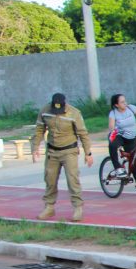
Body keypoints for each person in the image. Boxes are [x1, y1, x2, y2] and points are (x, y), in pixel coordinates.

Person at [31, 93, 93, 222]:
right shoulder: (45, 111)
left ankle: (77, 208)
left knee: (72, 179)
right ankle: (49, 207)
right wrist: (35, 147)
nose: (57, 112)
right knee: (50, 179)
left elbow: (83, 133)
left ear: (65, 104)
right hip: (52, 151)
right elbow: (39, 130)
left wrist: (88, 153)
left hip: (69, 151)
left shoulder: (74, 113)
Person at [107, 93, 136, 193]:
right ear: (116, 105)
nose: (125, 103)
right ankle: (118, 168)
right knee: (112, 144)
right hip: (120, 136)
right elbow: (111, 126)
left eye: (125, 101)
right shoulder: (113, 113)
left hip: (131, 138)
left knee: (134, 162)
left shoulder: (131, 108)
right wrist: (113, 131)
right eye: (122, 102)